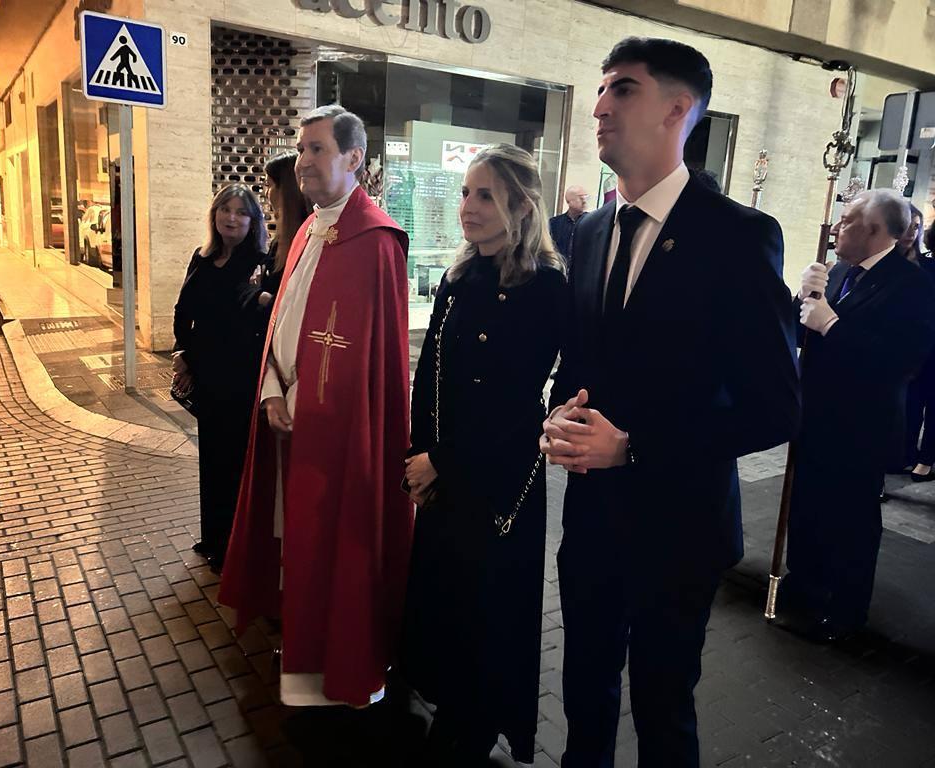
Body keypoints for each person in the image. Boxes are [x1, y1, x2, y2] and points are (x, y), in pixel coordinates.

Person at [540, 37, 800, 767]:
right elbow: (581, 361)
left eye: (622, 88)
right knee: (583, 690)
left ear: (678, 110)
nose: (598, 106)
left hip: (678, 526)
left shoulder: (738, 238)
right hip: (591, 520)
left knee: (662, 705)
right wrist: (558, 413)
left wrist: (633, 446)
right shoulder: (589, 234)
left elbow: (776, 407)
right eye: (600, 88)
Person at [218, 105, 414, 709]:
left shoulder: (376, 241)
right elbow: (283, 324)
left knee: (336, 540)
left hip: (337, 432)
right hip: (287, 416)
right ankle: (302, 645)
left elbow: (373, 360)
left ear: (353, 158)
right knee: (291, 536)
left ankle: (342, 663)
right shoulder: (305, 228)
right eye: (301, 149)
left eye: (317, 149)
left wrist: (318, 409)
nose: (303, 161)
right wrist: (274, 391)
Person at [400, 144, 567, 767]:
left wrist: (440, 459)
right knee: (444, 592)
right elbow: (431, 376)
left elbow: (510, 399)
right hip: (443, 470)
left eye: (484, 195)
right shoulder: (459, 275)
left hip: (497, 475)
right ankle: (447, 699)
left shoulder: (544, 286)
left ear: (521, 207)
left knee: (487, 603)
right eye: (466, 192)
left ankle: (473, 721)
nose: (467, 207)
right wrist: (418, 455)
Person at [780, 190, 935, 641]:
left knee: (850, 522)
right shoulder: (842, 272)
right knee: (807, 510)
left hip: (862, 426)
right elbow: (799, 330)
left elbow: (901, 361)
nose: (835, 228)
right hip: (815, 417)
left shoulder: (913, 287)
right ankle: (804, 591)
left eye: (845, 221)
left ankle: (845, 612)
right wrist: (804, 297)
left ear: (873, 230)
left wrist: (833, 325)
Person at [172, 183, 268, 571]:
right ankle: (212, 535)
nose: (232, 218)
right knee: (210, 460)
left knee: (234, 464)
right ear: (214, 215)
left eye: (241, 212)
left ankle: (232, 545)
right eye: (225, 210)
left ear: (253, 220)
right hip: (207, 375)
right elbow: (183, 309)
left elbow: (254, 323)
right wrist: (182, 351)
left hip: (240, 380)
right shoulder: (202, 257)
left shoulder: (259, 263)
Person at [259, 151, 312, 316]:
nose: (266, 193)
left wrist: (263, 297)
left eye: (270, 185)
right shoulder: (281, 239)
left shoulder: (308, 239)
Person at [910, 221, 935, 480]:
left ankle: (921, 458)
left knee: (920, 400)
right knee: (918, 400)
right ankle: (919, 458)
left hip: (921, 341)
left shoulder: (922, 265)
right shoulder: (923, 265)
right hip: (923, 341)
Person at [548, 185, 589, 267]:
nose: (584, 201)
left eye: (586, 197)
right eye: (580, 198)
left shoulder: (593, 223)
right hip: (558, 269)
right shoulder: (554, 223)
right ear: (569, 201)